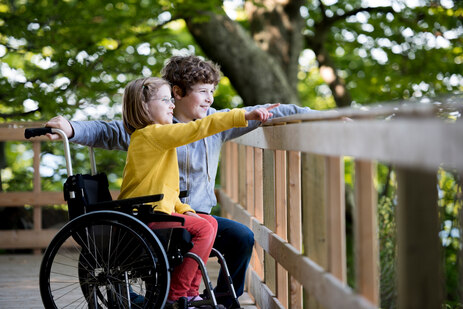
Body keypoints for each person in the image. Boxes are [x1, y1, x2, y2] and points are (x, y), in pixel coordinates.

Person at [45, 55, 317, 308]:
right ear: (177, 92)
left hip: (190, 215)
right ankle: (166, 297)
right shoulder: (150, 127)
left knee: (241, 237)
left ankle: (220, 300)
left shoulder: (215, 123)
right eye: (202, 91)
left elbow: (266, 111)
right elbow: (104, 130)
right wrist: (71, 128)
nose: (210, 99)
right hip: (155, 220)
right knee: (161, 287)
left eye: (212, 91)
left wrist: (315, 116)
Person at [117, 76, 276, 308]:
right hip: (143, 218)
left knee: (207, 222)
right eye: (165, 100)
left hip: (157, 212)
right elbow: (199, 128)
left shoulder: (158, 138)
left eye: (172, 99)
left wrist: (186, 209)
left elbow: (167, 191)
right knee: (203, 227)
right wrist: (241, 116)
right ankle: (178, 293)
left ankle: (191, 292)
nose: (172, 105)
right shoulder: (150, 135)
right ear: (144, 107)